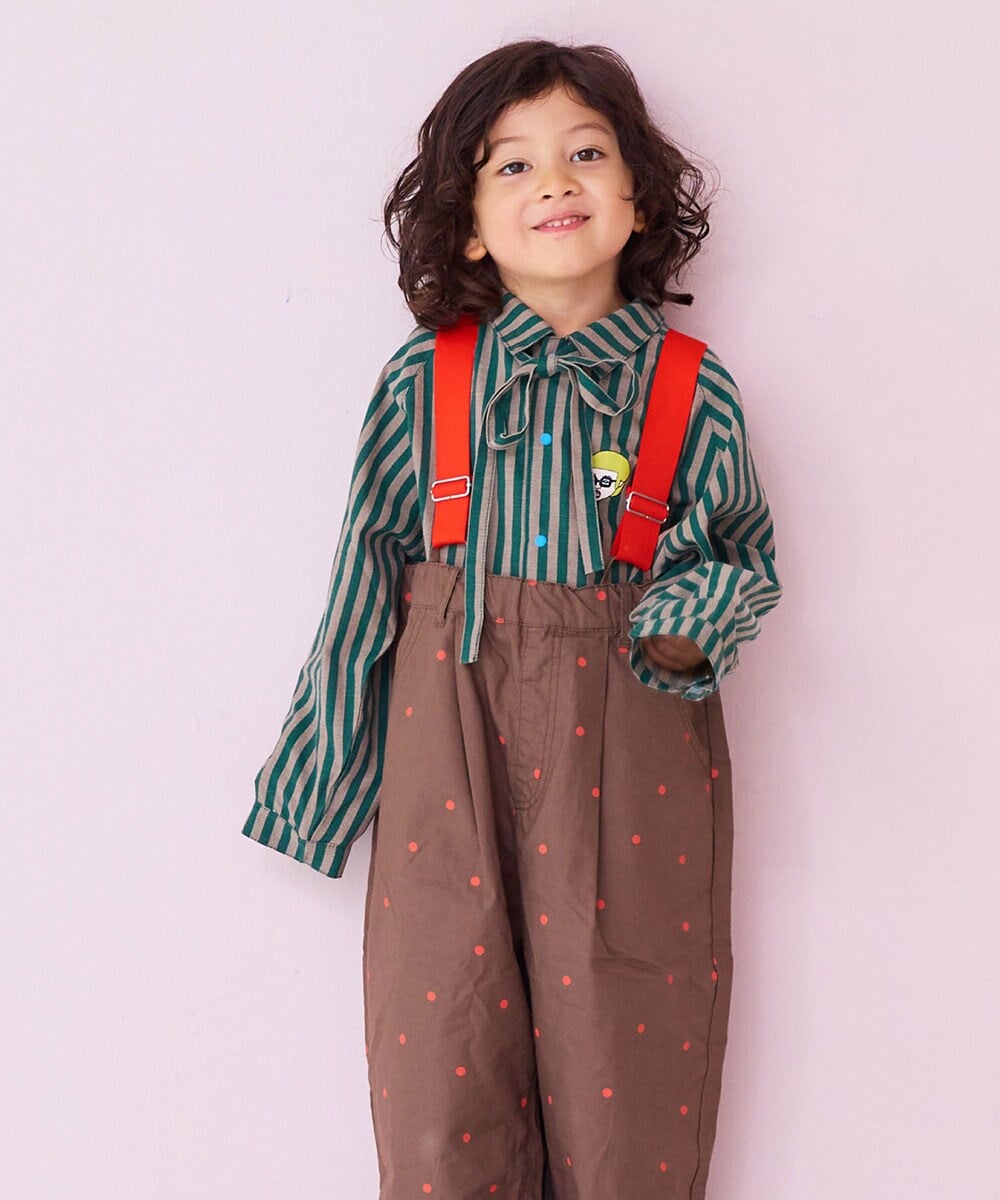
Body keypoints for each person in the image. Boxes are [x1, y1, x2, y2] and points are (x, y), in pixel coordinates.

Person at [242, 38, 782, 1200]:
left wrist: (683, 623)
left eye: (586, 154)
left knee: (625, 1057)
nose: (554, 183)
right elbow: (363, 585)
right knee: (440, 1050)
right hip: (442, 746)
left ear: (638, 199)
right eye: (513, 165)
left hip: (629, 742)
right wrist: (315, 790)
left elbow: (740, 550)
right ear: (471, 225)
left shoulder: (690, 388)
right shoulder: (421, 383)